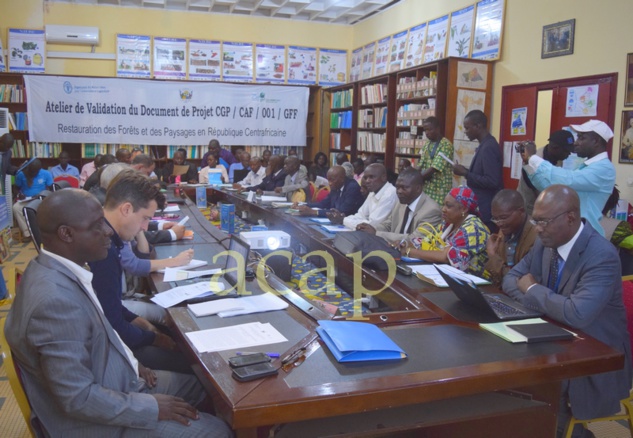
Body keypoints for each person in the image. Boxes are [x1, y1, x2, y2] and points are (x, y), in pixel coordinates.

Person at [4, 189, 231, 437]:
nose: (108, 230)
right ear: (66, 234)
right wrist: (150, 407)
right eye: (96, 225)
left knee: (203, 386)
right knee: (217, 430)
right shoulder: (54, 302)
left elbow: (97, 331)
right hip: (93, 423)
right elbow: (77, 398)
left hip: (114, 378)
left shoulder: (58, 268)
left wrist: (131, 362)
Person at [502, 185, 632, 438]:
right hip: (553, 337)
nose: (537, 228)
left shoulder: (601, 256)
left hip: (595, 354)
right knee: (506, 373)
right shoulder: (545, 243)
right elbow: (510, 279)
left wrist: (533, 290)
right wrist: (540, 298)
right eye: (535, 220)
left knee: (541, 391)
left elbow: (576, 314)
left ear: (570, 218)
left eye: (544, 221)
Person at [89, 172, 194, 374]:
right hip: (109, 351)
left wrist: (137, 321)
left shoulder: (103, 234)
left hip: (107, 333)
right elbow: (113, 326)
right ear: (127, 209)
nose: (145, 227)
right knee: (190, 367)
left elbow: (109, 305)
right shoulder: (103, 249)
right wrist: (155, 338)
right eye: (145, 218)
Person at [520, 120, 615, 236]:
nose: (576, 143)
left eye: (581, 138)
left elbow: (567, 179)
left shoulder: (604, 168)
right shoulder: (586, 166)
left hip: (586, 234)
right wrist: (527, 163)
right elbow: (550, 187)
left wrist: (533, 158)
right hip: (573, 231)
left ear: (596, 141)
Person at [401, 186, 490, 277]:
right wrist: (406, 244)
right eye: (443, 205)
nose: (443, 209)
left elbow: (446, 257)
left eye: (448, 206)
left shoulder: (474, 228)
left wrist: (409, 251)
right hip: (448, 277)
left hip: (476, 284)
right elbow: (426, 242)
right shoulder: (449, 223)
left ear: (464, 209)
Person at [357, 168, 442, 244]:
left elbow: (414, 240)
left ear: (418, 188)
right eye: (397, 187)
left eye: (404, 188)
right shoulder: (401, 202)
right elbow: (388, 225)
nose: (399, 191)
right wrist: (368, 229)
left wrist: (376, 233)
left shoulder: (431, 210)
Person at [452, 110, 503, 231]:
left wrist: (465, 173)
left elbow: (492, 181)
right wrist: (466, 171)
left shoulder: (488, 147)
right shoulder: (484, 145)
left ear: (478, 126)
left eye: (467, 128)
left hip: (487, 209)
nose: (465, 132)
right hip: (482, 207)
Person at [484, 189, 537, 287]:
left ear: (521, 211)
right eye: (495, 219)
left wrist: (492, 255)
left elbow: (518, 280)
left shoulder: (536, 236)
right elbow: (498, 278)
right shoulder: (505, 231)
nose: (499, 223)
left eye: (504, 217)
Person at [517, 130, 575, 215]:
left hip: (546, 206)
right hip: (529, 207)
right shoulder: (533, 160)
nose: (569, 154)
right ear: (555, 147)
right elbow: (539, 188)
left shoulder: (558, 159)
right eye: (566, 151)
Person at [340, 163, 397, 229]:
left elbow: (372, 225)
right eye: (365, 177)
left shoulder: (390, 194)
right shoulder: (373, 191)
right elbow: (360, 215)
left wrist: (343, 220)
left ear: (383, 177)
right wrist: (344, 219)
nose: (367, 181)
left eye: (371, 177)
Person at [295, 166, 364, 218]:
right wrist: (302, 205)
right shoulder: (336, 186)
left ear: (342, 178)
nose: (330, 183)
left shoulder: (352, 187)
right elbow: (323, 204)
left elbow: (341, 212)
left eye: (332, 180)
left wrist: (313, 212)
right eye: (328, 180)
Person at [12, 159, 53, 238]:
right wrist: (19, 194)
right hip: (26, 200)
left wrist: (42, 194)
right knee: (16, 207)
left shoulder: (46, 173)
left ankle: (43, 232)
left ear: (39, 169)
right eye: (31, 171)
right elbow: (15, 188)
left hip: (41, 200)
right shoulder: (21, 174)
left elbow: (51, 189)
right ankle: (28, 233)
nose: (32, 173)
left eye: (35, 171)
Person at [419, 116, 454, 206]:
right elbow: (421, 164)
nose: (427, 133)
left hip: (439, 188)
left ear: (438, 129)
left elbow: (434, 168)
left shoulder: (446, 144)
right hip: (427, 188)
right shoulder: (427, 144)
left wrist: (416, 178)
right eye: (425, 130)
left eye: (430, 129)